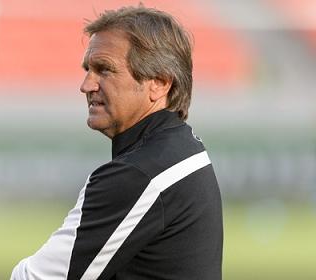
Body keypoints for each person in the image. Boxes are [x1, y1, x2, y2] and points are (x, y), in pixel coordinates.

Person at [11, 5, 223, 280]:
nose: (86, 85)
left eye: (104, 70)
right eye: (88, 69)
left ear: (158, 82)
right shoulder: (180, 148)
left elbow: (36, 277)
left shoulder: (141, 173)